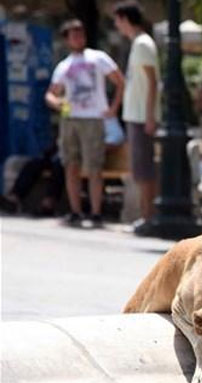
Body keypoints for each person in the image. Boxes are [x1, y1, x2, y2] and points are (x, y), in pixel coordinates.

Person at [45, 19, 124, 228]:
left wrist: (114, 107)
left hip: (93, 118)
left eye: (80, 33)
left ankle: (96, 212)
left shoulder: (98, 58)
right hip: (70, 118)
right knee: (71, 165)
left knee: (94, 167)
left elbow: (119, 81)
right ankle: (75, 211)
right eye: (73, 35)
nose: (78, 38)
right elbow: (51, 94)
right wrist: (58, 103)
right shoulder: (64, 65)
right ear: (67, 40)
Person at [113, 0, 161, 234]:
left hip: (142, 116)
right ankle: (146, 216)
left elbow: (152, 81)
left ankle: (147, 217)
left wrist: (150, 116)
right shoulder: (139, 44)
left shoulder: (142, 44)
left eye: (117, 20)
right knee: (141, 169)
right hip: (138, 114)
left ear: (124, 18)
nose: (116, 25)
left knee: (144, 170)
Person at [0, 143, 64, 216]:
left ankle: (49, 204)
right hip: (58, 155)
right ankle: (14, 199)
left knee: (58, 166)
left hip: (70, 161)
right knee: (33, 164)